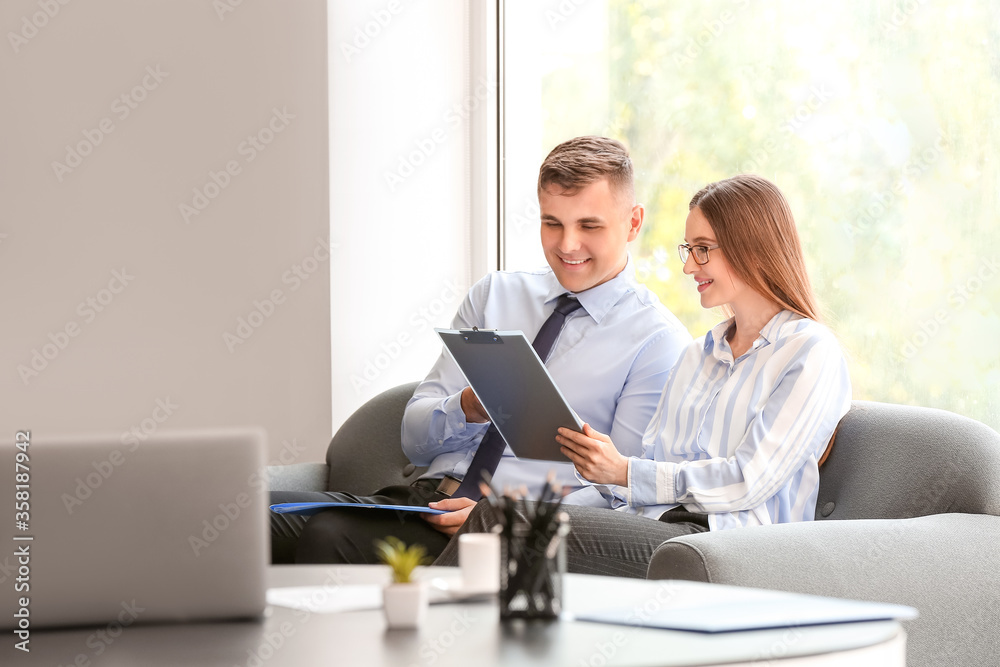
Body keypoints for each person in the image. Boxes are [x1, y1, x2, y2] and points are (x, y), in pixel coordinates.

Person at [272, 136, 692, 564]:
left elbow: (622, 492)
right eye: (552, 223)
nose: (567, 245)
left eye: (589, 226)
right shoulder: (496, 295)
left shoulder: (657, 342)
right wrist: (468, 407)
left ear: (634, 223)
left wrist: (501, 519)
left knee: (329, 535)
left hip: (513, 527)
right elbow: (415, 441)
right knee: (250, 517)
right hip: (420, 501)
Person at [435, 173, 852, 577]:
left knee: (500, 523)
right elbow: (646, 475)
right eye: (687, 248)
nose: (689, 266)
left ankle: (432, 633)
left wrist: (624, 472)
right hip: (656, 528)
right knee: (503, 516)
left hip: (725, 547)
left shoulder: (809, 352)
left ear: (753, 248)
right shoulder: (697, 356)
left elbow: (747, 480)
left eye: (703, 249)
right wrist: (600, 472)